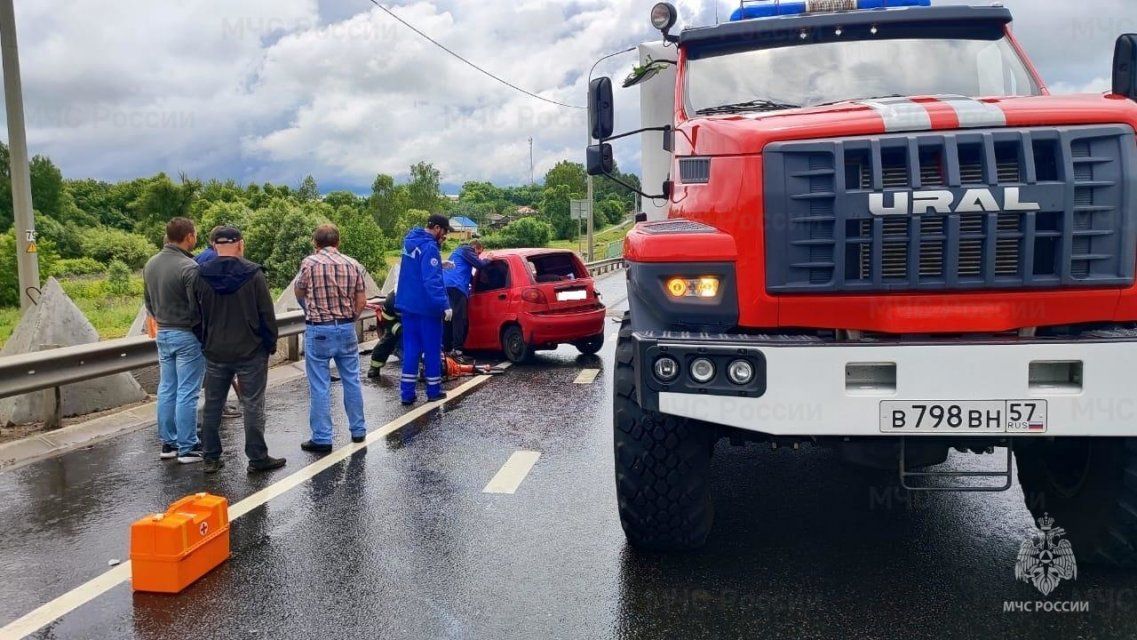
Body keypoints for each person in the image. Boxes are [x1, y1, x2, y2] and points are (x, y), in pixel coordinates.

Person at [195, 226, 286, 475]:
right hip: (251, 350)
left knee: (213, 404)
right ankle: (257, 457)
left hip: (215, 351)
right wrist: (269, 344)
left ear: (214, 245)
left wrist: (206, 340)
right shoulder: (253, 274)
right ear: (240, 244)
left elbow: (195, 316)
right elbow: (266, 314)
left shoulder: (200, 274)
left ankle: (210, 457)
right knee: (253, 404)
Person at [294, 224, 369, 454]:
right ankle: (358, 430)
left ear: (315, 243)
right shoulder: (352, 264)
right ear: (338, 242)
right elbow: (361, 300)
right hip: (346, 328)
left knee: (320, 385)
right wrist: (350, 318)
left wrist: (309, 310)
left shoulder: (309, 263)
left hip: (319, 330)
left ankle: (322, 437)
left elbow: (299, 290)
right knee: (352, 380)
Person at [143, 217, 205, 464]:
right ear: (189, 236)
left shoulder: (150, 264)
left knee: (167, 387)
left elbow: (148, 302)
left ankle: (168, 443)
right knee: (188, 391)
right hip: (186, 334)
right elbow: (197, 306)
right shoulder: (189, 267)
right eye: (195, 234)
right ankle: (188, 446)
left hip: (164, 332)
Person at [396, 214, 452, 406]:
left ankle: (407, 394)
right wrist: (444, 305)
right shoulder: (430, 247)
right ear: (437, 228)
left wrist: (440, 265)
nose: (444, 237)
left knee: (411, 349)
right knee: (432, 350)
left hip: (408, 306)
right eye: (444, 232)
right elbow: (431, 281)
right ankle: (433, 391)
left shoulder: (411, 241)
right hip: (427, 309)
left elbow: (416, 270)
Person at [195, 225, 242, 419]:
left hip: (205, 324)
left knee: (214, 371)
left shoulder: (198, 258)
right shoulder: (216, 260)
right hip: (221, 324)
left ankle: (217, 408)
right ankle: (218, 409)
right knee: (220, 371)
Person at [443, 240, 489, 356]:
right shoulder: (467, 250)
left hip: (445, 287)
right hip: (456, 287)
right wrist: (489, 259)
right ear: (474, 247)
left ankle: (446, 348)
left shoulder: (457, 253)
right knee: (459, 319)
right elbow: (480, 264)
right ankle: (457, 349)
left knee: (448, 318)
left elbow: (466, 275)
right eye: (478, 252)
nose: (477, 256)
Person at [367, 289, 402, 379]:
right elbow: (388, 320)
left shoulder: (424, 293)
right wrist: (399, 329)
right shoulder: (392, 298)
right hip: (398, 323)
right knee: (388, 340)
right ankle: (375, 366)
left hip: (420, 324)